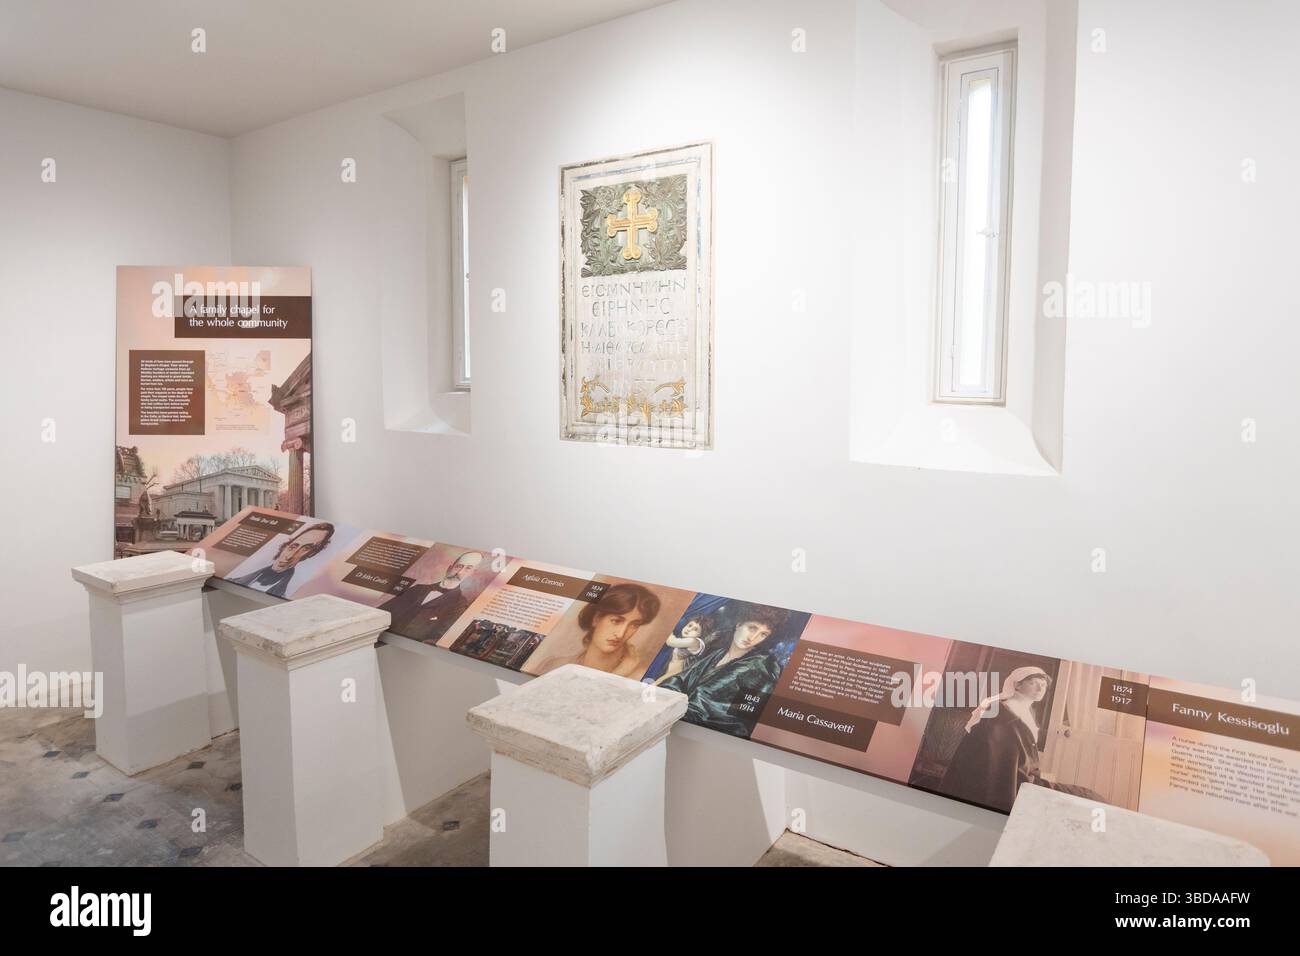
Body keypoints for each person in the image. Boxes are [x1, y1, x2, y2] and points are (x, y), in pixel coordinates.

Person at [658, 603, 790, 737]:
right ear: (739, 624)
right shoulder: (719, 654)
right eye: (752, 628)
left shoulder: (759, 667)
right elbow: (679, 680)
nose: (753, 638)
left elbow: (703, 707)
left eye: (763, 634)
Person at [935, 665, 1054, 812]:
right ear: (1017, 684)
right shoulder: (1002, 710)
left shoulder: (1028, 713)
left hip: (1016, 772)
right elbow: (997, 756)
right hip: (992, 774)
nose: (1040, 688)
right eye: (1033, 683)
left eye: (1043, 685)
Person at [535, 583, 661, 678]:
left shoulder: (640, 676)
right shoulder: (555, 665)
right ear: (596, 618)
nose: (621, 634)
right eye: (616, 621)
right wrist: (617, 675)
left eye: (634, 625)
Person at [380, 550, 483, 644]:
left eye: (468, 568)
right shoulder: (418, 588)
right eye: (459, 566)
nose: (459, 572)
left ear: (472, 573)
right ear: (450, 568)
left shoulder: (460, 604)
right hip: (381, 636)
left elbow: (440, 636)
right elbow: (383, 610)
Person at [227, 522, 335, 598]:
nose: (289, 557)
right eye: (293, 546)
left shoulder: (287, 594)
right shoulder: (233, 580)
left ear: (312, 554)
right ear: (286, 545)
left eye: (305, 549)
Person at [652, 616, 707, 685]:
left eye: (695, 629)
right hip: (666, 671)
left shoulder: (694, 642)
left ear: (700, 634)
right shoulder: (685, 639)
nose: (689, 629)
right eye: (689, 625)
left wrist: (668, 625)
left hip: (675, 676)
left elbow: (670, 642)